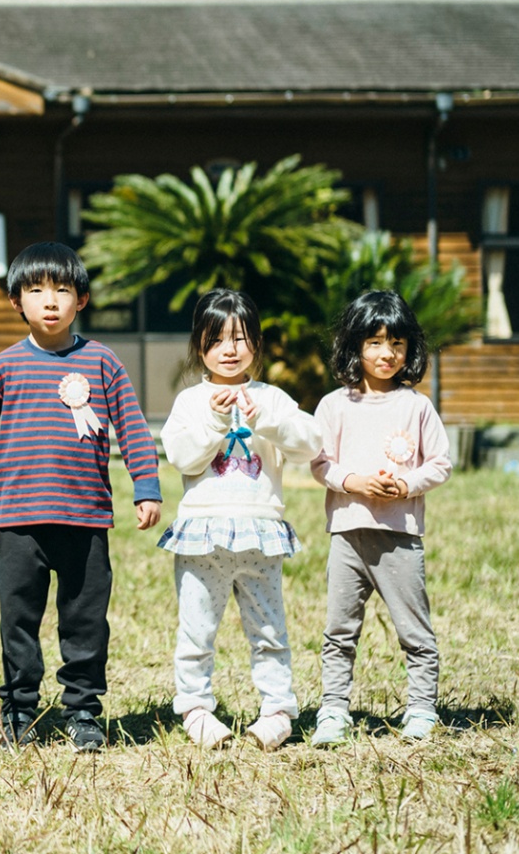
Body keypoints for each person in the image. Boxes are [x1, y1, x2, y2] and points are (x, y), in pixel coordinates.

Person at [0, 242, 162, 752]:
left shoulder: (103, 362)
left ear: (82, 300)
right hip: (20, 521)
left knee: (85, 618)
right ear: (15, 301)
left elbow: (133, 429)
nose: (50, 301)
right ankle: (20, 707)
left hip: (86, 519)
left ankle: (84, 710)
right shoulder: (3, 368)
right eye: (36, 290)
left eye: (62, 290)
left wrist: (146, 487)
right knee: (18, 618)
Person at [158, 289, 319, 751]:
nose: (230, 350)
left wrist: (267, 419)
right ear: (199, 344)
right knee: (196, 629)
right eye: (217, 339)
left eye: (241, 338)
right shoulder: (190, 402)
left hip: (260, 534)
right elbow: (184, 458)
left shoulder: (271, 397)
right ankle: (195, 707)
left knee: (269, 629)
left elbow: (309, 444)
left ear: (257, 344)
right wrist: (212, 420)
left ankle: (278, 709)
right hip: (201, 536)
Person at [310, 290, 452, 746]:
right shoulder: (335, 405)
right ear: (354, 347)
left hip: (400, 537)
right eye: (374, 342)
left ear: (410, 350)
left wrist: (406, 486)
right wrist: (352, 482)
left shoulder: (416, 406)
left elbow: (441, 463)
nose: (386, 354)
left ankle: (422, 709)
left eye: (397, 344)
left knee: (414, 628)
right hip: (347, 534)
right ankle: (332, 710)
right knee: (339, 629)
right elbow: (320, 463)